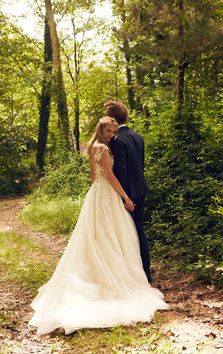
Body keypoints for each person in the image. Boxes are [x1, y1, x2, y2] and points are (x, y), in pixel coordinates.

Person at [28, 116, 169, 335]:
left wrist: (97, 195)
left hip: (97, 194)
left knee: (100, 234)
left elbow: (94, 176)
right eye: (109, 131)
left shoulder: (92, 146)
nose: (112, 135)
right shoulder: (103, 148)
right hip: (109, 193)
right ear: (101, 129)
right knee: (111, 235)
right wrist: (125, 198)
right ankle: (109, 277)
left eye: (114, 132)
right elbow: (111, 176)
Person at [105, 101, 152, 283]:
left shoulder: (117, 141)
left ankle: (134, 274)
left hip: (128, 194)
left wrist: (124, 197)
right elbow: (140, 165)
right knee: (139, 229)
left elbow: (122, 171)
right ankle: (145, 271)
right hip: (141, 189)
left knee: (127, 233)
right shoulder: (137, 136)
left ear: (113, 119)